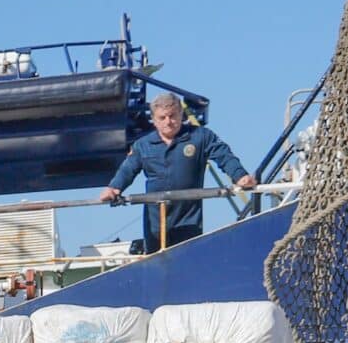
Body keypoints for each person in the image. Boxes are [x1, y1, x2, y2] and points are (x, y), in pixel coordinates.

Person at [99, 91, 257, 250]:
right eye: (162, 118)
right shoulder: (143, 145)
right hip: (156, 221)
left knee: (189, 257)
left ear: (181, 114)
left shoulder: (200, 136)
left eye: (172, 116)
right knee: (157, 262)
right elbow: (128, 169)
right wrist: (114, 188)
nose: (168, 121)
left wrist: (240, 176)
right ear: (154, 120)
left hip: (189, 219)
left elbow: (224, 156)